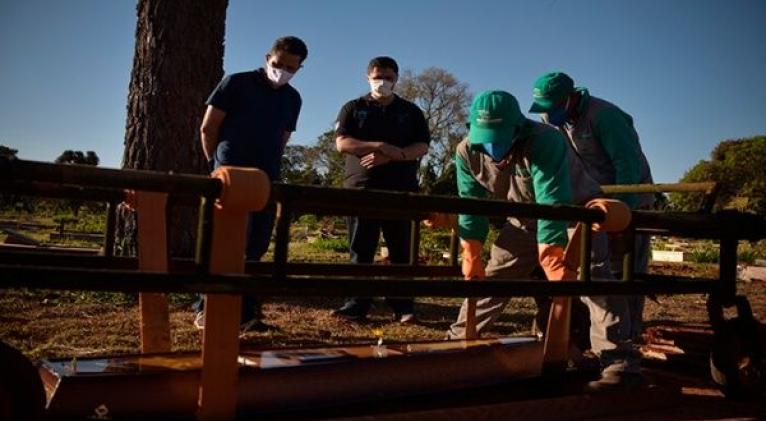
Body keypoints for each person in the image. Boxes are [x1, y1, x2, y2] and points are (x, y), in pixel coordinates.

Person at [445, 90, 643, 392]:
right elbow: (471, 205)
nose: (492, 146)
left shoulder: (544, 139)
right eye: (485, 137)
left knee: (592, 281)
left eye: (499, 137)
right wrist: (471, 252)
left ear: (517, 127)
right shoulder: (466, 151)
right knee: (492, 279)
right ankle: (457, 343)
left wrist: (552, 257)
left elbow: (553, 201)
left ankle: (620, 361)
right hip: (522, 219)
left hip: (573, 214)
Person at [528, 72, 654, 346]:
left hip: (628, 201)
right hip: (591, 203)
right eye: (543, 110)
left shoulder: (604, 116)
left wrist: (623, 216)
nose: (547, 116)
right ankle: (585, 334)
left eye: (552, 108)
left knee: (625, 272)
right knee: (592, 270)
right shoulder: (553, 123)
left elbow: (627, 165)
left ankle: (628, 338)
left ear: (570, 98)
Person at [194, 36, 308, 333]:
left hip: (265, 176)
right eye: (277, 64)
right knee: (225, 241)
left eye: (290, 68)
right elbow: (209, 126)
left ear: (299, 68)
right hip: (231, 171)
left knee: (256, 243)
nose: (281, 70)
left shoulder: (292, 98)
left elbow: (283, 138)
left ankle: (245, 311)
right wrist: (216, 164)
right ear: (267, 57)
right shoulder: (236, 83)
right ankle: (206, 309)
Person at [332, 56, 430, 323]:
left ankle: (403, 306)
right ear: (368, 77)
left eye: (388, 77)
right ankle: (357, 303)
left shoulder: (411, 112)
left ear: (396, 79)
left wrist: (393, 155)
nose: (382, 82)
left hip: (400, 190)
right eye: (378, 76)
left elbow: (421, 146)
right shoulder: (352, 108)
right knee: (360, 248)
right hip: (361, 189)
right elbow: (342, 143)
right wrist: (379, 146)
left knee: (401, 250)